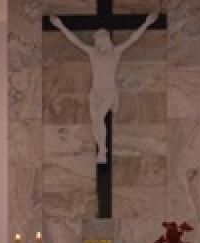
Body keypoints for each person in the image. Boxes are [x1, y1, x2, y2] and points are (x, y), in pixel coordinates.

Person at [49, 10, 159, 163]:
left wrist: (147, 22)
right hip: (95, 92)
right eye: (96, 42)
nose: (97, 44)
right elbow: (75, 41)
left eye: (99, 41)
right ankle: (101, 149)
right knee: (95, 121)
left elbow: (133, 39)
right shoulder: (93, 53)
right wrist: (60, 25)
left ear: (106, 39)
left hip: (109, 92)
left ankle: (102, 150)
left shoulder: (116, 52)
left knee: (99, 118)